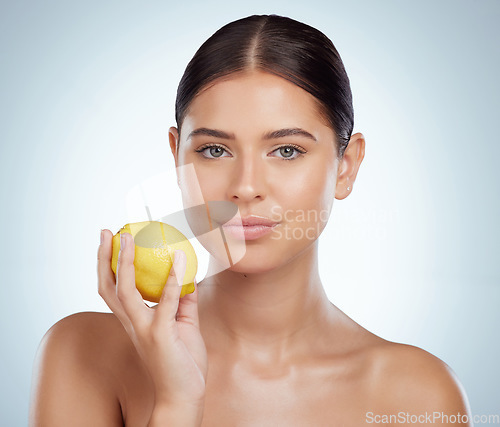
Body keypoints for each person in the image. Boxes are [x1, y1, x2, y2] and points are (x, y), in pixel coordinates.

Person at [29, 14, 472, 426]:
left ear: (346, 166)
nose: (245, 186)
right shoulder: (86, 352)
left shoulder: (418, 396)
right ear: (176, 158)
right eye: (214, 150)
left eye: (286, 150)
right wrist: (178, 403)